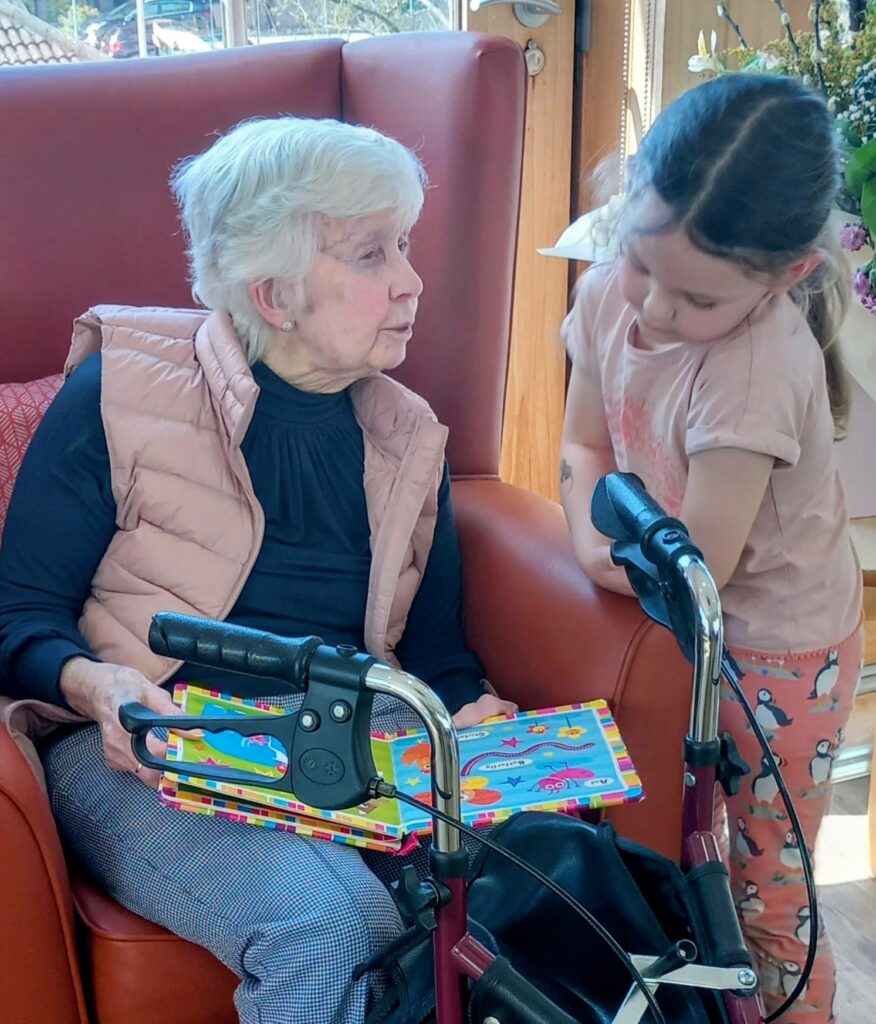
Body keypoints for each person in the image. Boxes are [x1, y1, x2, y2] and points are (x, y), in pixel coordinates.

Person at [0, 116, 515, 1024]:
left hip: (352, 731)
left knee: (533, 877)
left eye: (404, 243)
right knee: (323, 925)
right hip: (147, 744)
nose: (411, 279)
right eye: (370, 255)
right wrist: (97, 685)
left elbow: (437, 656)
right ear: (273, 295)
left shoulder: (408, 437)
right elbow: (16, 618)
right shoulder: (116, 391)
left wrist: (471, 713)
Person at [559, 74, 862, 1022]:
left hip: (779, 656)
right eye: (640, 262)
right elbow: (583, 445)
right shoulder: (615, 289)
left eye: (693, 297)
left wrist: (599, 547)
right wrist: (583, 543)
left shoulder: (758, 368)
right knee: (686, 874)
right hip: (679, 618)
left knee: (768, 910)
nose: (648, 309)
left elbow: (702, 568)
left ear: (789, 276)